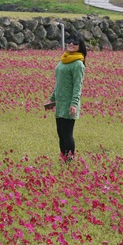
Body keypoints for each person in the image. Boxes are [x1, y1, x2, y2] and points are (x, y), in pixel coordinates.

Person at [45, 31, 87, 162]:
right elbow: (59, 83)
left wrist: (74, 104)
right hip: (60, 102)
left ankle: (69, 160)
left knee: (67, 134)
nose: (71, 43)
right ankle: (63, 157)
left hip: (69, 103)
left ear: (80, 45)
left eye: (75, 42)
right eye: (69, 41)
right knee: (60, 133)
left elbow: (77, 86)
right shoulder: (64, 60)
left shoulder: (78, 64)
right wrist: (52, 99)